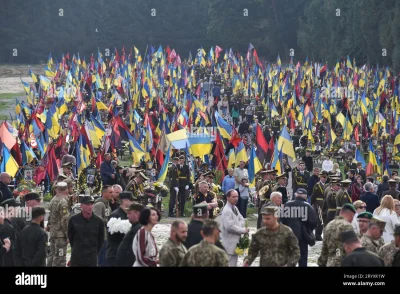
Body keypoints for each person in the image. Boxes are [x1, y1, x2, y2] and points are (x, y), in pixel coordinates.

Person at [282, 188, 318, 267]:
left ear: (295, 195)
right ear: (305, 197)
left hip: (289, 235)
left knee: (290, 258)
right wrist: (308, 229)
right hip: (302, 236)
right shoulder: (308, 206)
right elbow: (314, 222)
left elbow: (282, 220)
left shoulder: (287, 205)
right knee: (302, 258)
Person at [68, 196, 105, 267]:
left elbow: (101, 239)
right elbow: (71, 237)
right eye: (87, 204)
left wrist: (94, 251)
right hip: (77, 256)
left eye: (91, 204)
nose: (90, 207)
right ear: (81, 206)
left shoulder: (99, 221)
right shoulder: (73, 220)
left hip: (91, 256)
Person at [220, 189, 248, 267]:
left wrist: (237, 224)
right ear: (228, 198)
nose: (236, 199)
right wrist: (243, 230)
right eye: (233, 197)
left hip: (235, 242)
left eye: (237, 197)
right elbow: (229, 226)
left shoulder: (234, 207)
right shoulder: (227, 210)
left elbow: (242, 219)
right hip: (229, 243)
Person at [106, 191, 134, 266]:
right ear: (125, 201)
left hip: (124, 255)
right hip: (115, 255)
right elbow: (114, 236)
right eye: (131, 200)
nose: (133, 202)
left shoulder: (126, 214)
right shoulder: (115, 215)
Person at [47, 182, 69, 267]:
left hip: (53, 233)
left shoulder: (53, 199)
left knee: (52, 256)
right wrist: (68, 235)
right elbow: (65, 220)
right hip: (60, 235)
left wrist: (49, 225)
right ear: (66, 189)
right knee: (60, 258)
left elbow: (50, 216)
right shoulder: (63, 201)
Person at [93, 185, 113, 267]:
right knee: (102, 259)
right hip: (101, 236)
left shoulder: (107, 204)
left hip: (106, 235)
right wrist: (109, 222)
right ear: (104, 193)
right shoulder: (99, 204)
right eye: (110, 192)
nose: (112, 194)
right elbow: (97, 220)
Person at [0, 198, 18, 266]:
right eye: (15, 208)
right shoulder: (7, 227)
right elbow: (8, 252)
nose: (17, 210)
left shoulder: (7, 224)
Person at [311, 171, 328, 241]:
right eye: (323, 177)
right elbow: (313, 195)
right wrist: (313, 203)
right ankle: (317, 235)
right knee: (319, 219)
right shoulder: (317, 185)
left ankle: (320, 234)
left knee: (323, 219)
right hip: (318, 203)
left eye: (325, 177)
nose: (324, 179)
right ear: (320, 177)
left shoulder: (326, 185)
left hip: (324, 203)